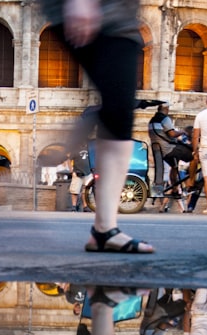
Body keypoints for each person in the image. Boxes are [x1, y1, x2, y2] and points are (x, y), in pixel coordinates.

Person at [37, 0, 152, 253]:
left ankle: (104, 229)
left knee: (117, 111)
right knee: (119, 107)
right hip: (108, 14)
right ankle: (104, 230)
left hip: (119, 17)